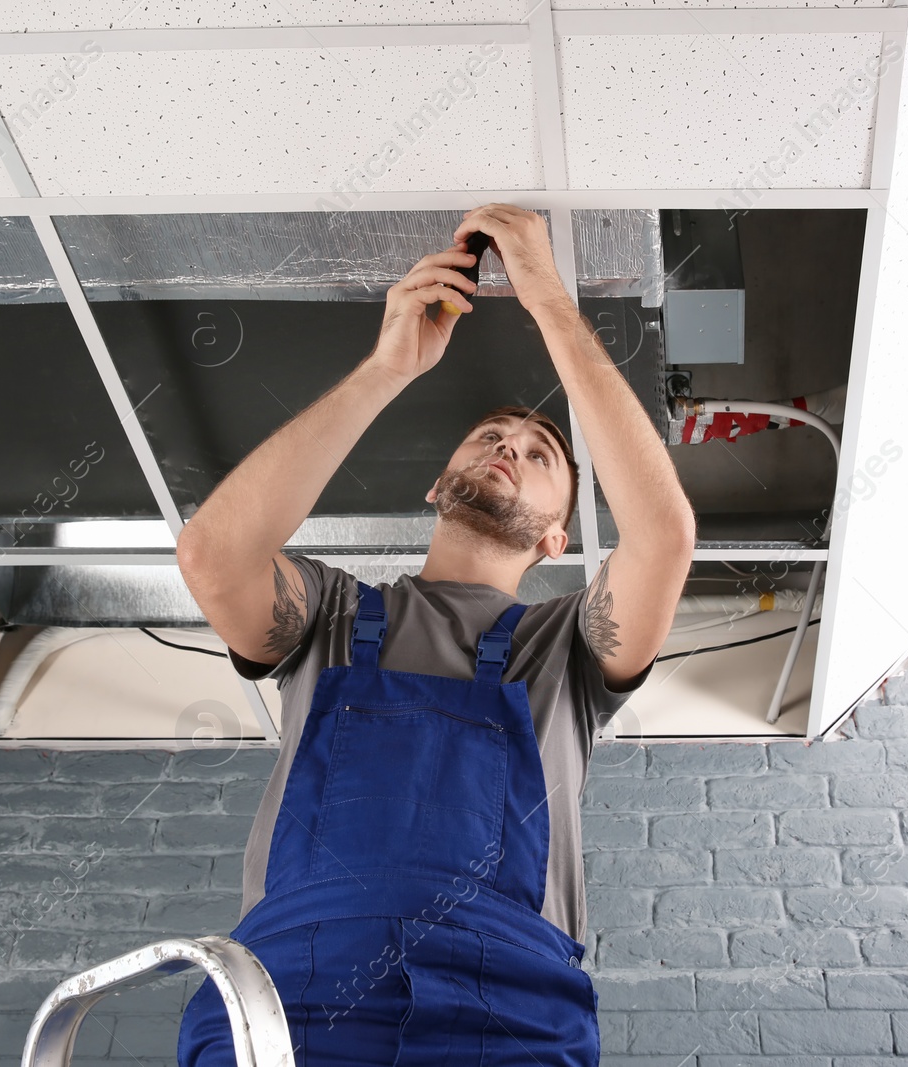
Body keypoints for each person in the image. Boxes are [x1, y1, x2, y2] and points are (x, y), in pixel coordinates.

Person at [174, 203, 698, 1066]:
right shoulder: (332, 617)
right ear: (437, 484)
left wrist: (549, 303)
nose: (510, 446)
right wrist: (387, 368)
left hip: (509, 1007)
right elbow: (211, 552)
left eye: (540, 456)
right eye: (491, 436)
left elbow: (664, 536)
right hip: (293, 991)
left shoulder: (566, 652)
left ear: (556, 537)